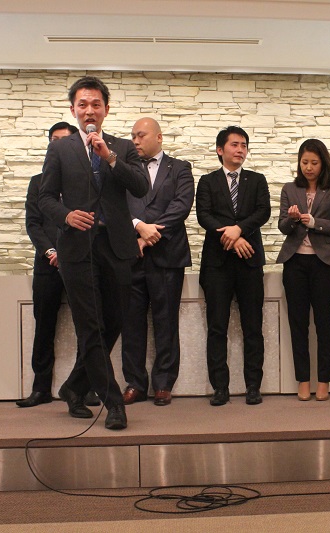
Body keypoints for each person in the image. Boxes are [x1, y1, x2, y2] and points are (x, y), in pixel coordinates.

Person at [39, 76, 149, 430]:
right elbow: (44, 198)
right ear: (73, 109)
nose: (89, 110)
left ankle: (73, 386)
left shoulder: (122, 147)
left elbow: (141, 186)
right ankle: (113, 403)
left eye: (96, 104)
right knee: (90, 326)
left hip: (117, 246)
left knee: (113, 322)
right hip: (77, 247)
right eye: (83, 104)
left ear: (106, 109)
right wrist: (66, 215)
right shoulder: (61, 149)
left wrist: (110, 157)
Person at [18, 121, 100, 409]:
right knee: (44, 328)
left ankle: (84, 387)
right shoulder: (38, 182)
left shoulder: (89, 180)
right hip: (48, 265)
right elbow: (33, 224)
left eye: (65, 140)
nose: (60, 145)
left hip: (81, 262)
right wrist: (52, 251)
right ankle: (40, 388)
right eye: (55, 140)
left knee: (86, 327)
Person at [120, 117, 194, 407]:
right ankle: (135, 383)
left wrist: (150, 235)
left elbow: (181, 206)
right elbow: (116, 205)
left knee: (166, 322)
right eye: (132, 136)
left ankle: (163, 383)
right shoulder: (125, 170)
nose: (135, 141)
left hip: (167, 256)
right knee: (131, 324)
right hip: (131, 256)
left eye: (140, 135)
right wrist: (139, 227)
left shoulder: (180, 168)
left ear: (159, 137)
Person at [196, 126, 270, 406]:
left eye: (244, 145)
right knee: (217, 327)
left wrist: (239, 230)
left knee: (253, 327)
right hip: (217, 264)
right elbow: (204, 215)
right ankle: (220, 387)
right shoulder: (207, 181)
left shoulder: (257, 180)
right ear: (220, 150)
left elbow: (263, 212)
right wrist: (231, 236)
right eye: (235, 144)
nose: (240, 149)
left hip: (249, 262)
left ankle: (253, 386)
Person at [277, 139, 330, 402]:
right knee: (298, 323)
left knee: (325, 323)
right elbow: (282, 227)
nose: (308, 167)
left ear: (323, 163)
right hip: (295, 262)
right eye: (304, 162)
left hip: (323, 264)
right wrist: (293, 219)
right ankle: (303, 380)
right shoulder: (289, 188)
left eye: (314, 163)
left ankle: (324, 380)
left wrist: (315, 222)